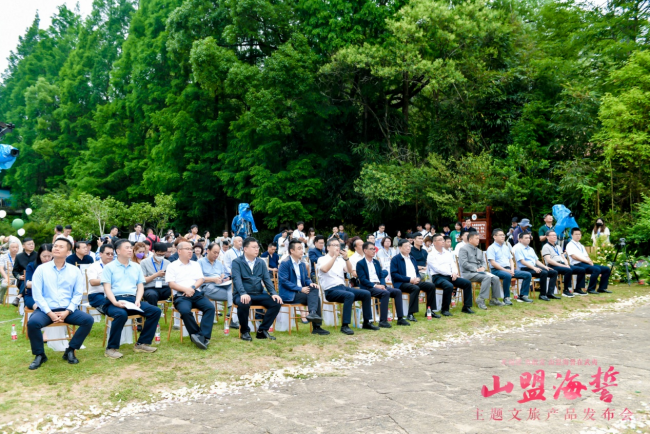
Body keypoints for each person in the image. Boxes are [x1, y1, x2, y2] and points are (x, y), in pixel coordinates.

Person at [26, 238, 95, 370]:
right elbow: (37, 294)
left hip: (67, 309)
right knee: (33, 323)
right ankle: (40, 354)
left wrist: (68, 311)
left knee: (88, 320)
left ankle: (70, 349)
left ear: (68, 252)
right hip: (46, 310)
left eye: (60, 246)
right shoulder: (41, 269)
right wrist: (49, 313)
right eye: (55, 246)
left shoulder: (74, 271)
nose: (56, 248)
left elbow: (77, 294)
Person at [101, 239, 161, 358]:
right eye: (127, 247)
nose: (130, 250)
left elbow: (140, 286)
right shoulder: (109, 267)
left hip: (132, 300)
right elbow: (107, 288)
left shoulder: (136, 267)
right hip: (114, 300)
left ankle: (141, 343)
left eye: (130, 247)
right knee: (121, 314)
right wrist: (115, 302)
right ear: (118, 251)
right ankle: (111, 348)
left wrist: (138, 300)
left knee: (155, 311)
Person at [317, 238, 379, 335]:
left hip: (342, 287)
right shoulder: (322, 259)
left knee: (366, 293)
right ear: (328, 247)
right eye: (334, 245)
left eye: (338, 245)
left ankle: (367, 322)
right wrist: (334, 257)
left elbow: (350, 271)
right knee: (349, 295)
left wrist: (346, 259)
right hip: (330, 290)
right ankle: (345, 325)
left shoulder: (340, 260)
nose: (337, 247)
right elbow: (324, 269)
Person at [166, 241, 215, 349]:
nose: (190, 251)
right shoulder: (172, 266)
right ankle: (196, 334)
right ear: (179, 251)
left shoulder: (195, 264)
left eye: (190, 249)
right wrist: (185, 290)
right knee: (184, 311)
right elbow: (171, 284)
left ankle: (203, 336)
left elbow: (201, 279)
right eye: (187, 249)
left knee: (210, 307)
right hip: (180, 295)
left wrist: (192, 288)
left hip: (195, 293)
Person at [232, 237, 283, 341]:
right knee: (243, 303)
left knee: (276, 302)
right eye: (254, 247)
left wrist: (273, 293)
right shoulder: (237, 262)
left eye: (257, 247)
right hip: (242, 294)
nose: (257, 249)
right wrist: (242, 293)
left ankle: (262, 330)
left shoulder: (261, 262)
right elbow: (237, 279)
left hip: (258, 293)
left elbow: (267, 279)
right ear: (245, 249)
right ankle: (245, 331)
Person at [278, 240, 329, 335]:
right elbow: (284, 282)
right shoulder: (285, 263)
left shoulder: (302, 264)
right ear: (292, 251)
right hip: (289, 294)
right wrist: (300, 289)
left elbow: (306, 278)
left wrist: (310, 283)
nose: (302, 250)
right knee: (315, 297)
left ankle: (313, 315)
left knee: (314, 289)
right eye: (299, 248)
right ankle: (315, 322)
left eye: (302, 248)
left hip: (301, 293)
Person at [357, 241, 410, 327]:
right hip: (369, 287)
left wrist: (383, 285)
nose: (374, 251)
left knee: (397, 292)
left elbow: (381, 275)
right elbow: (363, 280)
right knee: (385, 293)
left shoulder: (376, 262)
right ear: (365, 250)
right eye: (371, 249)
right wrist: (376, 286)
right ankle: (383, 321)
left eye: (374, 249)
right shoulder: (360, 264)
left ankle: (400, 318)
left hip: (379, 285)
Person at [390, 239, 437, 321]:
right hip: (402, 283)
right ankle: (410, 314)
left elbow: (416, 272)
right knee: (415, 288)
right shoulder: (395, 259)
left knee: (431, 286)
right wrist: (409, 279)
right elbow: (394, 274)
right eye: (406, 246)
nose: (408, 248)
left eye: (409, 246)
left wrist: (418, 278)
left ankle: (430, 311)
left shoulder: (412, 258)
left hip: (414, 281)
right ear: (400, 248)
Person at [428, 234, 474, 315]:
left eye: (443, 239)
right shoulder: (431, 255)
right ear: (434, 242)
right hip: (438, 277)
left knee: (467, 283)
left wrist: (454, 273)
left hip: (450, 276)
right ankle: (445, 309)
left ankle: (466, 307)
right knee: (449, 286)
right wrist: (451, 274)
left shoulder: (447, 253)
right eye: (440, 240)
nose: (443, 241)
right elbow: (437, 269)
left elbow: (453, 264)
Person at [459, 232, 504, 310]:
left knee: (495, 278)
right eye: (476, 238)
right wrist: (476, 269)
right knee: (486, 278)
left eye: (478, 238)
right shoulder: (463, 249)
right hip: (468, 273)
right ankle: (480, 299)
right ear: (470, 239)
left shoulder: (479, 250)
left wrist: (483, 267)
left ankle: (494, 299)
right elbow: (464, 263)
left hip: (480, 273)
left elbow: (483, 262)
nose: (478, 240)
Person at [486, 229, 533, 304]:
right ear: (494, 237)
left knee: (527, 274)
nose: (503, 237)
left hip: (508, 269)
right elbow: (493, 263)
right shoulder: (491, 248)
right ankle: (506, 298)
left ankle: (523, 295)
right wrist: (506, 271)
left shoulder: (506, 247)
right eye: (500, 235)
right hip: (496, 270)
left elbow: (511, 260)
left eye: (503, 235)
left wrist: (512, 269)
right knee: (507, 275)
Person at [199, 242, 238, 328]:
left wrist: (224, 278)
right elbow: (198, 278)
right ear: (208, 250)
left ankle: (230, 313)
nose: (216, 255)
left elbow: (222, 274)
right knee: (234, 295)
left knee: (232, 285)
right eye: (214, 252)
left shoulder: (219, 263)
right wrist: (213, 279)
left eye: (218, 253)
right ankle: (231, 316)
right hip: (207, 286)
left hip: (220, 285)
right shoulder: (200, 262)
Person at [513, 232, 559, 301]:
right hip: (525, 269)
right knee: (543, 273)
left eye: (529, 238)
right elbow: (522, 261)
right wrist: (534, 268)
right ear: (520, 239)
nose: (528, 239)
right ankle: (542, 294)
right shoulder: (518, 248)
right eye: (526, 238)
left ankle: (550, 293)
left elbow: (536, 261)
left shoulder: (530, 249)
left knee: (553, 272)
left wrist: (545, 267)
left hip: (534, 267)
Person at [566, 228, 612, 294]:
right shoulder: (570, 245)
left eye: (579, 234)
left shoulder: (581, 245)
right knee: (596, 270)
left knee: (606, 269)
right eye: (576, 234)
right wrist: (587, 261)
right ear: (572, 235)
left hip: (585, 263)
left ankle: (602, 288)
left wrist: (590, 261)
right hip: (577, 264)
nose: (578, 236)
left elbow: (586, 256)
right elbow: (574, 256)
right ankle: (591, 289)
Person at [542, 230, 585, 297]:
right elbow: (549, 260)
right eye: (552, 235)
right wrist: (563, 266)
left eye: (555, 235)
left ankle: (578, 289)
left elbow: (563, 257)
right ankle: (566, 290)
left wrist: (566, 264)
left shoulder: (558, 247)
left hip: (562, 264)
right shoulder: (546, 247)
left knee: (581, 269)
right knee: (568, 270)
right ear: (547, 237)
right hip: (553, 265)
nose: (554, 237)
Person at [139, 242, 172, 308]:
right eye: (159, 255)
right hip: (150, 288)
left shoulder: (167, 263)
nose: (161, 257)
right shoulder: (144, 262)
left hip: (165, 287)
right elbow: (143, 280)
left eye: (163, 255)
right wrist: (156, 275)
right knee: (152, 295)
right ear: (153, 251)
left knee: (177, 292)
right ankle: (154, 314)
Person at [22, 244, 54, 310]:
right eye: (44, 256)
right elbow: (28, 284)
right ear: (39, 255)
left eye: (49, 256)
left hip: (51, 296)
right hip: (32, 296)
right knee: (39, 307)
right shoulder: (31, 266)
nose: (47, 259)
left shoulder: (55, 267)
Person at [87, 244, 115, 314]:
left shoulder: (115, 266)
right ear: (100, 254)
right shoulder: (94, 266)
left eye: (112, 254)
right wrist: (108, 280)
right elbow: (92, 282)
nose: (110, 256)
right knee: (110, 305)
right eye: (108, 254)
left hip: (112, 292)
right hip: (97, 294)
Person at [11, 237, 37, 306]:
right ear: (23, 246)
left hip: (35, 279)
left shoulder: (38, 255)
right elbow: (15, 271)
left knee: (28, 280)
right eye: (29, 244)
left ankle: (19, 296)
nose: (31, 245)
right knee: (25, 280)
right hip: (22, 280)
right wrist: (19, 277)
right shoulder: (19, 256)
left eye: (32, 244)